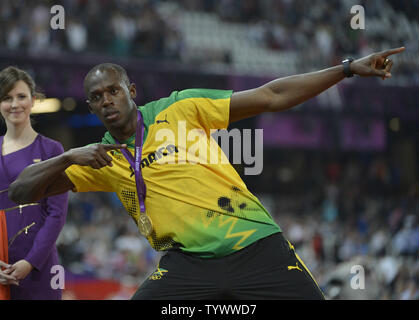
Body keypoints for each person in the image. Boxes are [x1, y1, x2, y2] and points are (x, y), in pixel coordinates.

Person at [9, 47, 404, 299]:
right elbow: (20, 192)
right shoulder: (100, 158)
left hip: (256, 247)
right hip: (188, 266)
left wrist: (348, 68)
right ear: (91, 108)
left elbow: (271, 96)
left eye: (113, 90)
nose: (107, 101)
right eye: (96, 98)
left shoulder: (179, 109)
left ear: (132, 89)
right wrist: (67, 157)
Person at [0, 66, 68, 300]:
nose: (15, 104)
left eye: (21, 96)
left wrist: (30, 262)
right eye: (7, 98)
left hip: (40, 269)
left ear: (33, 100)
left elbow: (56, 214)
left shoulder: (52, 150)